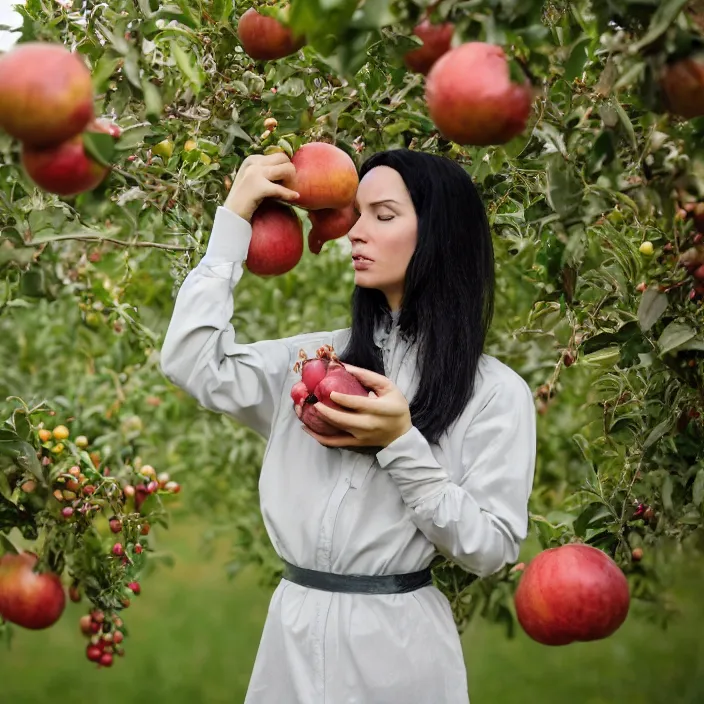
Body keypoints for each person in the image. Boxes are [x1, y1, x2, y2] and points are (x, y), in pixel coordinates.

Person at [160, 148, 537, 704]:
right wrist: (233, 224)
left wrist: (400, 445)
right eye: (355, 214)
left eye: (382, 216)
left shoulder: (494, 393)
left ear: (439, 234)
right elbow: (192, 362)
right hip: (292, 630)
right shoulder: (316, 361)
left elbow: (491, 547)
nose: (355, 233)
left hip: (397, 648)